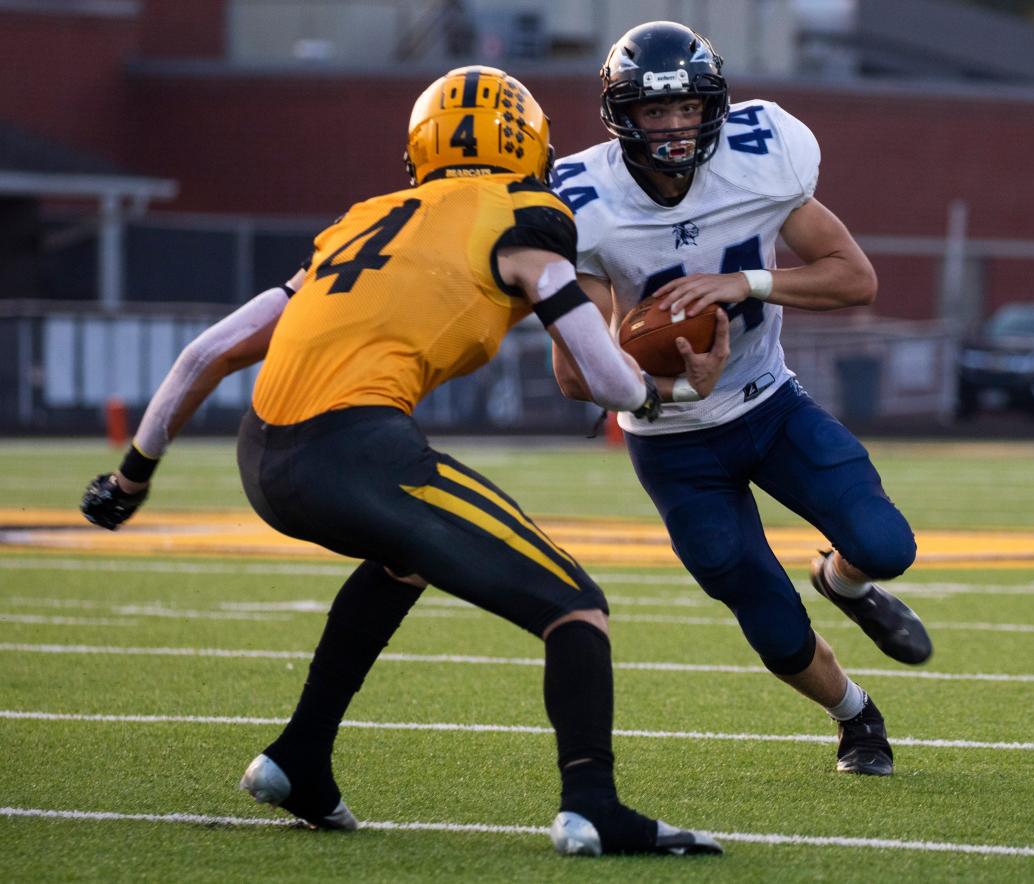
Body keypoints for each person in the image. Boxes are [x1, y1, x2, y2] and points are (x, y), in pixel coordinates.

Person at [80, 65, 721, 857]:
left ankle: (298, 757)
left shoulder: (362, 220)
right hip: (354, 451)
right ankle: (593, 804)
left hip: (265, 455)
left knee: (402, 559)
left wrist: (130, 478)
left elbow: (205, 353)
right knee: (575, 606)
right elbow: (606, 379)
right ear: (530, 148)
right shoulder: (528, 213)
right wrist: (665, 392)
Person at [551, 22, 932, 777]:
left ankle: (841, 581)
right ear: (621, 114)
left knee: (887, 548)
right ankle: (856, 717)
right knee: (763, 613)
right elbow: (575, 374)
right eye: (654, 112)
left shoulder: (760, 160)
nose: (672, 127)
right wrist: (664, 389)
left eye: (687, 108)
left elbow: (853, 278)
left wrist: (746, 281)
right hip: (672, 442)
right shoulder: (583, 203)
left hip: (767, 403)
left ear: (712, 107)